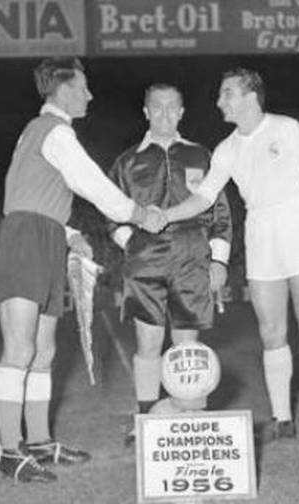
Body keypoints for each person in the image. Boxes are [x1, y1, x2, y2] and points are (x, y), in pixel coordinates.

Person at [0, 57, 166, 484]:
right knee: (20, 349)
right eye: (83, 87)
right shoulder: (55, 131)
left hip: (44, 236)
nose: (89, 94)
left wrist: (67, 234)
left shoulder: (40, 132)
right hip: (26, 240)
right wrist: (139, 213)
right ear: (63, 89)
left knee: (45, 351)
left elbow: (32, 192)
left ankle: (41, 441)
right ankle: (9, 451)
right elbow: (93, 184)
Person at [162, 68, 299, 449]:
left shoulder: (287, 128)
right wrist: (165, 215)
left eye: (226, 94)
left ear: (250, 96)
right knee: (270, 331)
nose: (219, 102)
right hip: (260, 231)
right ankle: (282, 417)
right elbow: (204, 198)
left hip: (298, 224)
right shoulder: (227, 149)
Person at [107, 83, 232, 446]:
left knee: (186, 347)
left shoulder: (201, 155)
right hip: (145, 261)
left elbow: (220, 212)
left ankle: (190, 419)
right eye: (156, 108)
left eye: (171, 108)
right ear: (145, 112)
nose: (164, 114)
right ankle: (146, 418)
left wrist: (219, 260)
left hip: (192, 256)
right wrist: (133, 245)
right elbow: (110, 214)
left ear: (181, 112)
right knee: (148, 342)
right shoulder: (127, 160)